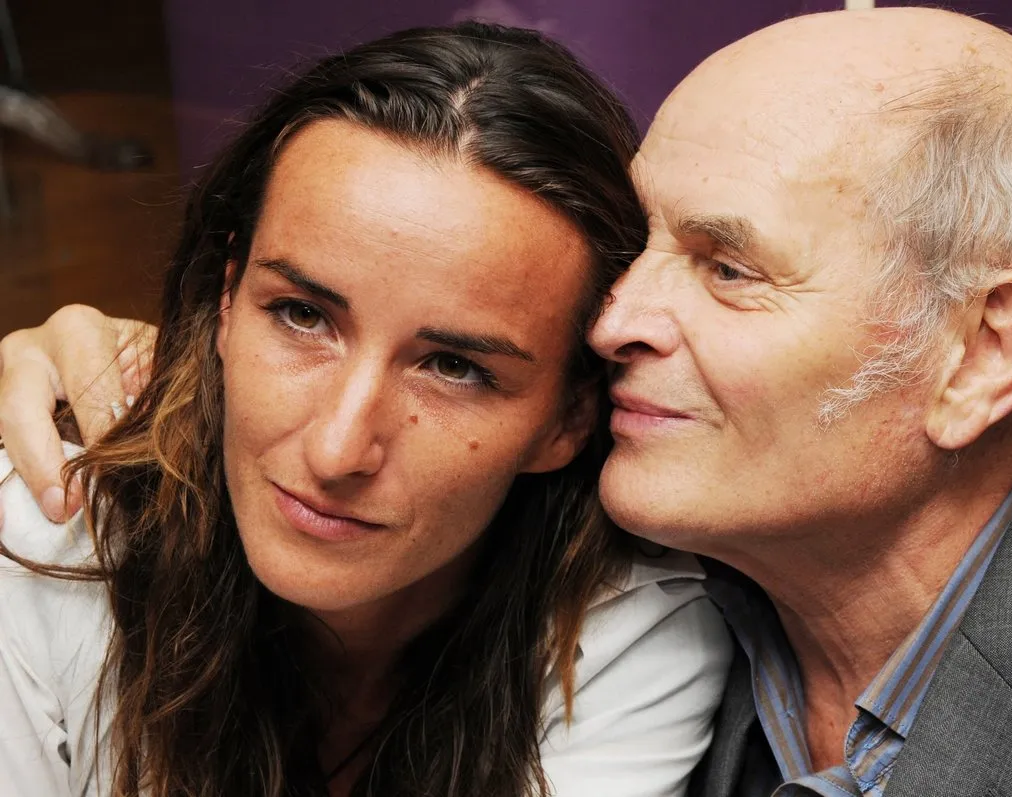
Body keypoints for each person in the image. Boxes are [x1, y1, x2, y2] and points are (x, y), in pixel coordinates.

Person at [6, 7, 1012, 797]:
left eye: (727, 267)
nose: (613, 319)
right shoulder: (723, 560)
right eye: (643, 247)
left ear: (984, 353)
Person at [0, 22, 731, 797]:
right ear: (224, 300)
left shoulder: (623, 634)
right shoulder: (46, 538)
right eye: (302, 315)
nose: (338, 448)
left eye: (454, 367)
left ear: (567, 420)